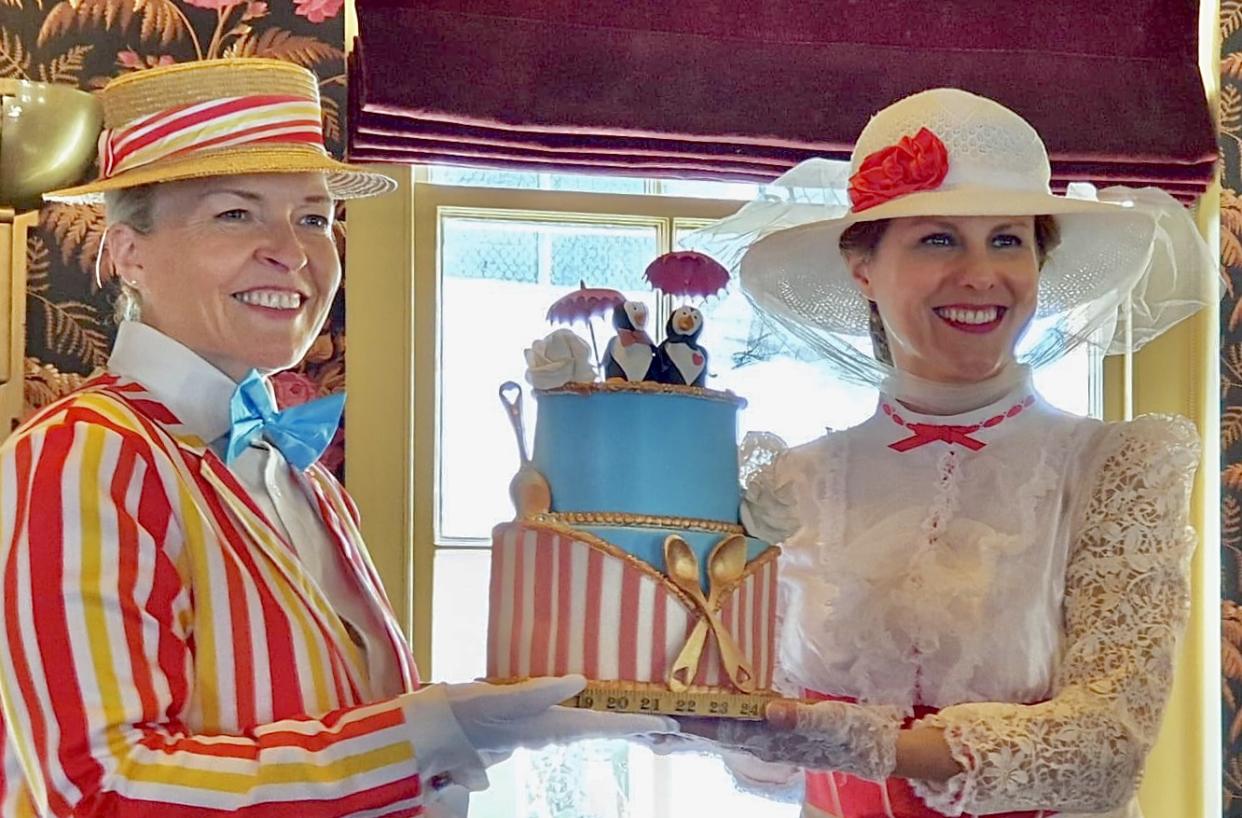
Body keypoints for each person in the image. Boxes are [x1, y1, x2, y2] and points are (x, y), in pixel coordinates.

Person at [0, 57, 674, 817]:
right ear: (129, 254)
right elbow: (101, 789)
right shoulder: (84, 453)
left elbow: (333, 721)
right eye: (235, 213)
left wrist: (468, 724)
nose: (292, 252)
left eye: (314, 218)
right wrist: (431, 734)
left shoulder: (303, 477)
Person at [676, 87, 1213, 818]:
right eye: (938, 238)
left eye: (1007, 239)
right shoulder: (789, 485)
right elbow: (741, 719)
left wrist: (872, 748)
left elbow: (1109, 743)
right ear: (862, 269)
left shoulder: (1115, 469)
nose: (980, 275)